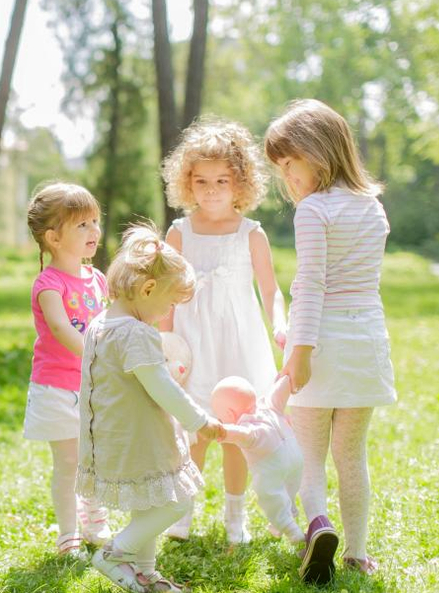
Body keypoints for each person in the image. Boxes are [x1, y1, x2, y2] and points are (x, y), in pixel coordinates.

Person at [265, 98, 397, 584]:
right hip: (365, 341)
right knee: (352, 454)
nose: (287, 178)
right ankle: (358, 552)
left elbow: (315, 285)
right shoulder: (373, 207)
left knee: (310, 455)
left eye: (288, 164)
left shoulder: (314, 210)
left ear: (314, 151)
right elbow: (358, 282)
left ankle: (319, 525)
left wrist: (298, 353)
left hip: (320, 342)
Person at [159, 118, 288, 543]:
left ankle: (237, 516)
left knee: (236, 432)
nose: (211, 189)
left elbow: (270, 291)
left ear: (240, 183)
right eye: (201, 181)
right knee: (195, 429)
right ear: (187, 183)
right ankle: (183, 511)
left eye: (221, 180)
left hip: (238, 341)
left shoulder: (251, 234)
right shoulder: (178, 234)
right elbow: (163, 296)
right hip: (194, 344)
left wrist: (280, 325)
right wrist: (164, 343)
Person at [77, 222, 224, 592]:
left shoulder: (102, 324)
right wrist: (200, 420)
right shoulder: (137, 332)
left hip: (112, 437)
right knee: (176, 501)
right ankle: (115, 553)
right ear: (147, 289)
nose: (168, 312)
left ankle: (145, 574)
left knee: (147, 503)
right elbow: (160, 387)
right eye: (170, 303)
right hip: (139, 437)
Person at [25, 181, 112, 555]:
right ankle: (68, 531)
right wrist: (96, 355)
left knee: (97, 457)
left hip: (94, 386)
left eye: (95, 221)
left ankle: (95, 517)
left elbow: (109, 323)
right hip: (58, 388)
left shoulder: (98, 279)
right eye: (81, 225)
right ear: (53, 238)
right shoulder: (48, 284)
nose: (94, 231)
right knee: (68, 461)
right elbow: (61, 328)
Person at [212, 375, 304, 545]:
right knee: (289, 487)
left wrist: (221, 431)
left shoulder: (248, 428)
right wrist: (287, 378)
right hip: (296, 457)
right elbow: (280, 391)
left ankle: (294, 534)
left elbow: (241, 434)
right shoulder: (269, 405)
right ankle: (288, 512)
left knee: (270, 498)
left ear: (229, 414)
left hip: (272, 465)